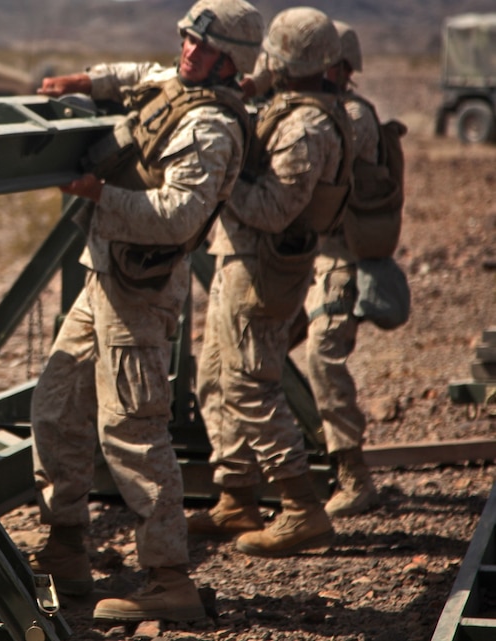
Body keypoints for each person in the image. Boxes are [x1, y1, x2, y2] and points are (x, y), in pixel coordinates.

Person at [28, 0, 263, 624]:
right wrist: (88, 80)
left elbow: (177, 217)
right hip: (105, 276)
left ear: (231, 63)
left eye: (204, 48)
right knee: (56, 404)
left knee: (131, 432)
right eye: (187, 38)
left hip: (140, 289)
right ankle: (66, 543)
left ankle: (168, 578)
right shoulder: (177, 85)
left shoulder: (210, 127)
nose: (189, 51)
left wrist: (101, 196)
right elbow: (140, 74)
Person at [188, 7, 352, 557]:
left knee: (249, 387)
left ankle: (301, 508)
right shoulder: (295, 106)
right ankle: (237, 494)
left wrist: (220, 176)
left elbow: (273, 209)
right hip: (242, 261)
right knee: (214, 375)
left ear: (281, 60)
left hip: (263, 270)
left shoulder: (305, 128)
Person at [301, 21, 382, 518]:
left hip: (341, 259)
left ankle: (354, 475)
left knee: (323, 355)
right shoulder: (328, 111)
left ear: (334, 66)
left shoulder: (352, 117)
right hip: (313, 256)